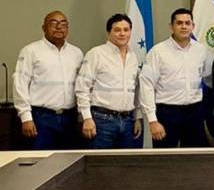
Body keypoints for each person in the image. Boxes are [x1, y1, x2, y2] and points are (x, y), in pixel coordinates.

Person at [139, 8, 211, 148]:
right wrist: (152, 120)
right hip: (167, 113)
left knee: (194, 160)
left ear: (193, 26)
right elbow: (146, 84)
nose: (184, 26)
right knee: (164, 160)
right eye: (179, 23)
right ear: (171, 26)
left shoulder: (201, 50)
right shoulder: (158, 51)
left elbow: (208, 78)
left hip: (194, 113)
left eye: (187, 23)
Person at [13, 10, 83, 149]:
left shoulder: (77, 53)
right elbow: (20, 85)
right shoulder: (30, 51)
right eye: (54, 23)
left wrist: (82, 116)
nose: (59, 27)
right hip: (41, 118)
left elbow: (82, 87)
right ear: (44, 28)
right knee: (40, 164)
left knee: (68, 165)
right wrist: (26, 118)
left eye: (63, 24)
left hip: (69, 118)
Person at [75, 13, 143, 149]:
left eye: (126, 30)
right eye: (117, 30)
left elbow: (136, 90)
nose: (122, 34)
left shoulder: (133, 57)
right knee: (99, 166)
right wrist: (87, 118)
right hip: (101, 120)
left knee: (125, 167)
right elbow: (82, 88)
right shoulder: (96, 54)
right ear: (108, 33)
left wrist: (137, 117)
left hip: (128, 121)